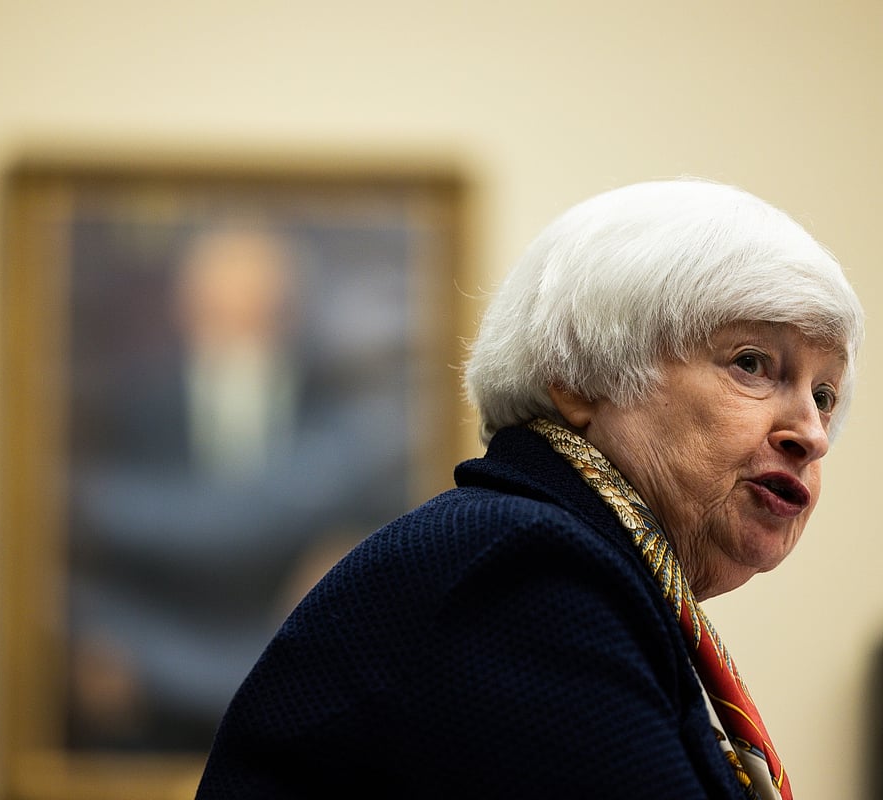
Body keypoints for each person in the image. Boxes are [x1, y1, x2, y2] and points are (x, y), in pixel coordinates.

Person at [194, 179, 864, 798]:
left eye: (824, 394)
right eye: (752, 364)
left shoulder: (575, 562)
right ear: (577, 375)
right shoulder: (521, 568)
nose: (811, 433)